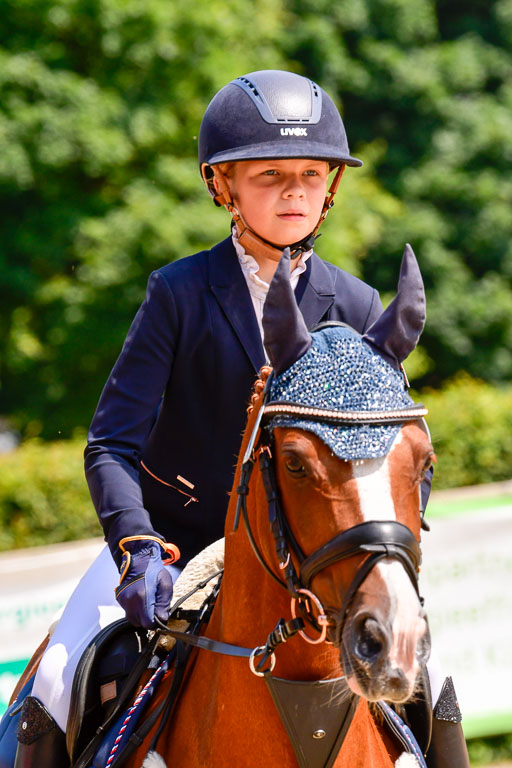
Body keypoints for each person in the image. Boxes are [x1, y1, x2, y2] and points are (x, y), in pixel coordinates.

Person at [13, 70, 467, 768]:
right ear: (223, 185)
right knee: (56, 678)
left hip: (318, 557)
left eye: (311, 174)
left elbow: (394, 456)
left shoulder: (356, 302)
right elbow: (110, 445)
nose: (293, 191)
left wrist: (381, 549)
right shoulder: (179, 293)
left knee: (433, 686)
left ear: (331, 188)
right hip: (174, 548)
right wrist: (135, 545)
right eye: (269, 175)